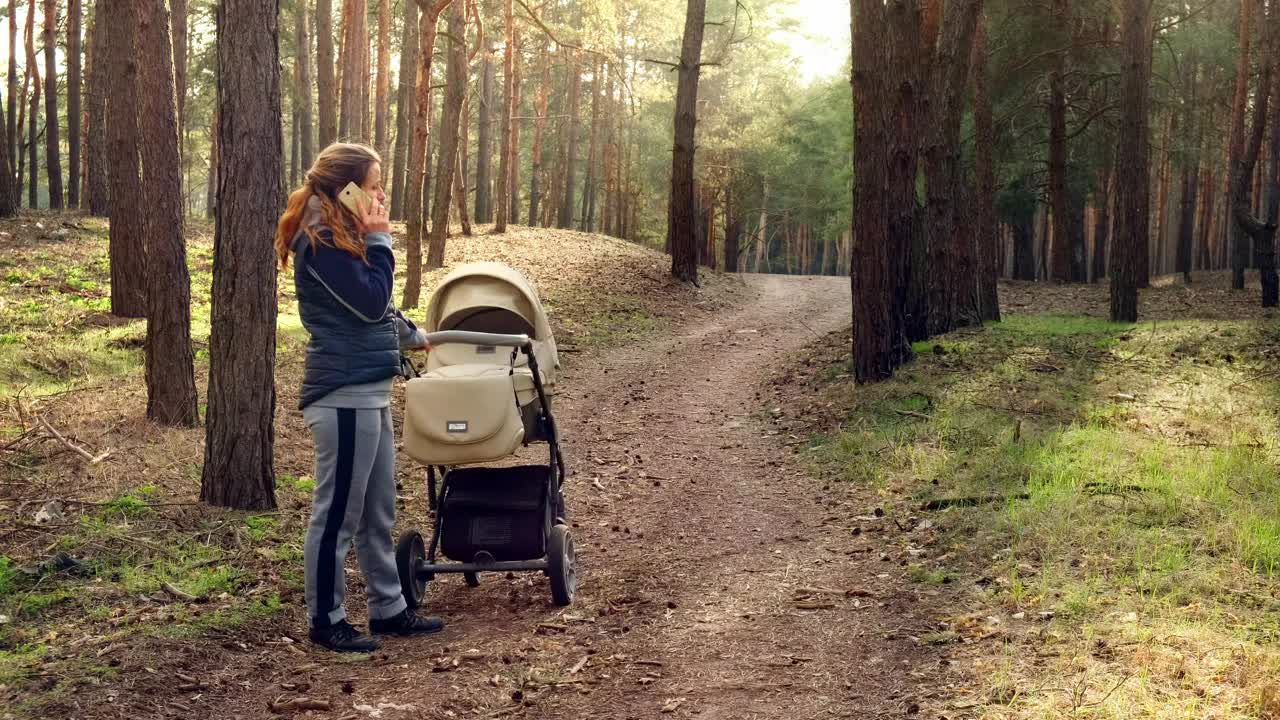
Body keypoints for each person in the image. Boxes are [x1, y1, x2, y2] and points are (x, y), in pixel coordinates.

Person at [275, 142, 445, 653]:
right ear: (344, 188)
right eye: (372, 185)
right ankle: (326, 619)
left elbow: (375, 309)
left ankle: (388, 608)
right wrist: (382, 240)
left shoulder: (343, 233)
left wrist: (413, 333)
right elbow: (370, 302)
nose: (380, 194)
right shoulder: (321, 237)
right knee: (337, 515)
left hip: (368, 389)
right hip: (343, 394)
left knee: (377, 511)